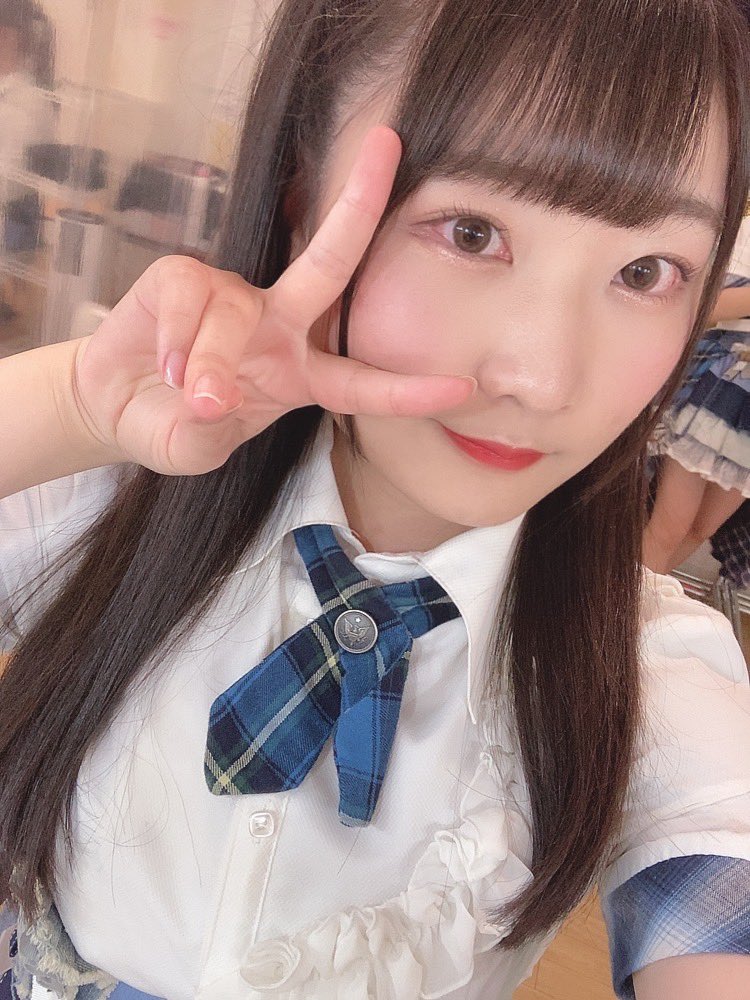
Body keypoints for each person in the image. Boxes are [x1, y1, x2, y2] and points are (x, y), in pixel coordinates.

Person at [0, 1, 749, 998]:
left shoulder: (644, 671)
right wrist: (71, 405)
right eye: (473, 232)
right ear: (300, 197)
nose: (542, 377)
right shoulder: (109, 507)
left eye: (646, 271)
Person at [643, 217, 750, 574]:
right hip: (719, 394)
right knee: (669, 526)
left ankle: (644, 596)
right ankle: (618, 603)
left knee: (700, 529)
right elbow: (706, 307)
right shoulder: (746, 232)